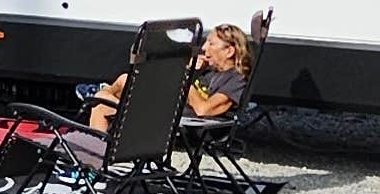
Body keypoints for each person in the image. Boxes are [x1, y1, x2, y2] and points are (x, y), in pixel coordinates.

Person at [81, 17, 259, 135]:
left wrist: (183, 74)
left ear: (229, 51)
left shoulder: (235, 79)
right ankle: (104, 90)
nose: (204, 48)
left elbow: (204, 110)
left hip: (174, 121)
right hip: (167, 107)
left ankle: (94, 166)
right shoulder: (210, 71)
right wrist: (190, 70)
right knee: (125, 79)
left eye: (211, 44)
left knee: (101, 104)